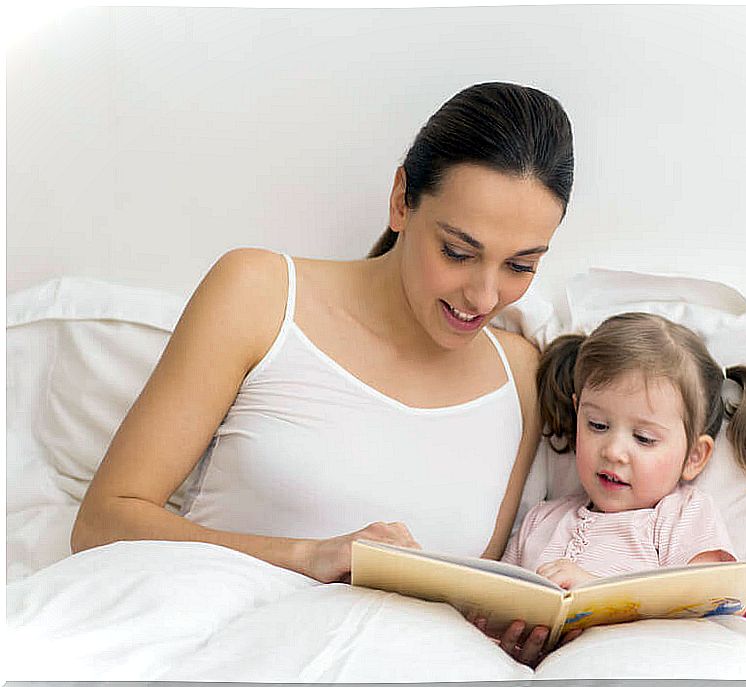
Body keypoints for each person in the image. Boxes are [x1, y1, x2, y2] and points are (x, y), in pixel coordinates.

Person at [70, 81, 573, 666]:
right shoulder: (258, 293)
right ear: (401, 200)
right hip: (220, 651)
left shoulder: (520, 374)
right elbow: (103, 522)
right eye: (458, 252)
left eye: (519, 266)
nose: (484, 295)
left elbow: (466, 592)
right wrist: (310, 556)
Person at [501, 311, 746, 588]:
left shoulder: (681, 517)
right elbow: (493, 603)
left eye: (644, 438)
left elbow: (706, 600)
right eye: (597, 425)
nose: (613, 452)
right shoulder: (540, 521)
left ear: (694, 457)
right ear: (576, 413)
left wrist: (596, 591)